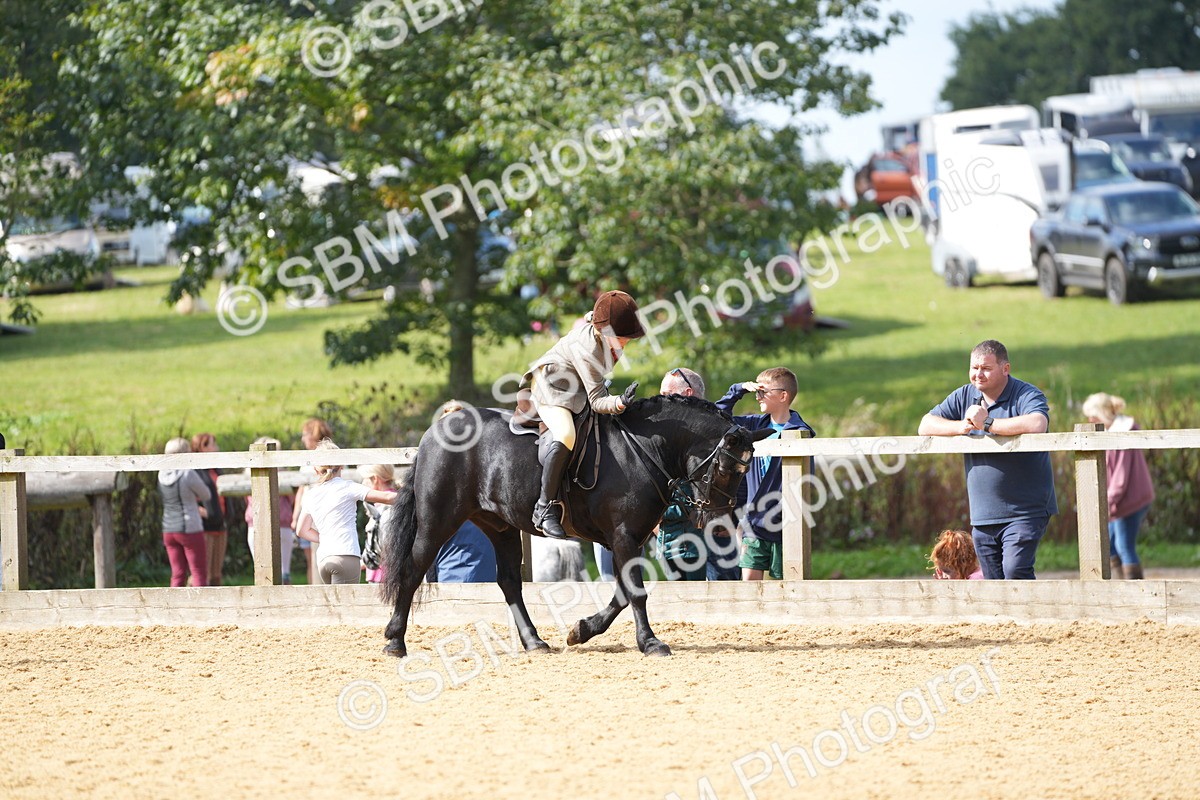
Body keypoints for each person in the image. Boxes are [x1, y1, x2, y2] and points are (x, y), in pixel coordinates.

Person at [919, 340, 1057, 580]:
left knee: (1015, 571)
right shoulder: (964, 395)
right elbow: (926, 425)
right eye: (974, 368)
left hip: (1024, 510)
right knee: (993, 581)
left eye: (985, 368)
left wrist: (988, 424)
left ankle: (1027, 617)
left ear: (1006, 369)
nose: (978, 374)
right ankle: (1004, 619)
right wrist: (961, 426)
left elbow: (1037, 423)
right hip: (983, 513)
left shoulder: (1025, 393)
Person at [522, 289, 645, 539]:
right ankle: (544, 508)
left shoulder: (604, 335)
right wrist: (620, 402)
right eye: (622, 337)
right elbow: (598, 400)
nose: (626, 342)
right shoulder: (588, 348)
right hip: (551, 387)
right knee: (566, 434)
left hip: (576, 387)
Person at [715, 367, 816, 581]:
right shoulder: (752, 426)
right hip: (753, 526)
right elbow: (717, 417)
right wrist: (738, 390)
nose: (758, 396)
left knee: (788, 588)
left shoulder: (799, 433)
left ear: (783, 396)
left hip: (786, 527)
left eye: (763, 391)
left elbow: (805, 482)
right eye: (756, 392)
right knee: (749, 587)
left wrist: (777, 514)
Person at [294, 440, 397, 585]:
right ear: (342, 465)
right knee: (346, 606)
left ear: (316, 470)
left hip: (323, 559)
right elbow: (387, 497)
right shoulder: (348, 487)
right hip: (345, 554)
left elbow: (301, 530)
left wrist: (325, 538)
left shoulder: (311, 494)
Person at [1083, 392, 1155, 580]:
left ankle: (1135, 589)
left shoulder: (1122, 433)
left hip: (1131, 498)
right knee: (1110, 545)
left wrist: (1106, 502)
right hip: (1121, 498)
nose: (1090, 420)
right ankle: (1120, 586)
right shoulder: (1110, 431)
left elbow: (1121, 478)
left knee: (1124, 545)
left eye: (1093, 415)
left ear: (1103, 414)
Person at [655, 367, 709, 581]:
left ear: (687, 393)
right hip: (665, 536)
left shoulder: (706, 429)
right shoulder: (663, 428)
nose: (661, 400)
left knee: (697, 601)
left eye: (666, 394)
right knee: (675, 603)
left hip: (695, 538)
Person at [158, 437, 211, 587]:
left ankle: (174, 608)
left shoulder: (161, 474)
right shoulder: (187, 473)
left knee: (177, 574)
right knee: (198, 572)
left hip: (168, 527)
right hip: (189, 526)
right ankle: (200, 606)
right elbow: (206, 494)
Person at [244, 436, 296, 584]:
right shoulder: (284, 475)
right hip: (282, 521)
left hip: (255, 522)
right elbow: (291, 499)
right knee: (284, 570)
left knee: (261, 568)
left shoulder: (247, 475)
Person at [292, 417, 332, 585]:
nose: (303, 439)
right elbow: (302, 488)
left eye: (305, 434)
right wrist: (295, 516)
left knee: (323, 556)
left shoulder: (326, 456)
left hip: (321, 512)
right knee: (310, 560)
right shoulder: (306, 459)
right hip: (307, 513)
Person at [190, 432, 228, 585]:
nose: (217, 448)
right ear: (202, 448)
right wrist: (205, 513)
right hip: (204, 527)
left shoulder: (217, 470)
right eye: (213, 444)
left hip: (220, 525)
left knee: (216, 575)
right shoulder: (194, 472)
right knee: (201, 574)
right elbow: (188, 498)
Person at [360, 463, 398, 584]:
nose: (363, 483)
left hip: (380, 574)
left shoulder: (384, 509)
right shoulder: (395, 502)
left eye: (366, 479)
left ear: (375, 479)